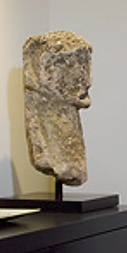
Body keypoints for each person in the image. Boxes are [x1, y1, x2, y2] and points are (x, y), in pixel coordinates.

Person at [23, 30, 91, 187]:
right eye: (78, 66)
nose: (88, 79)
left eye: (86, 66)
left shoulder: (69, 122)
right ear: (45, 70)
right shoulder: (43, 144)